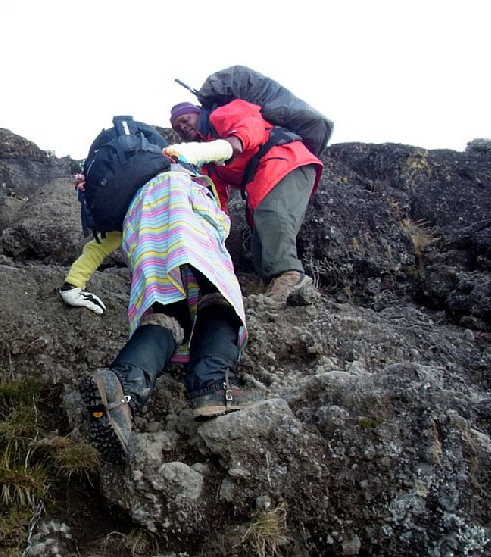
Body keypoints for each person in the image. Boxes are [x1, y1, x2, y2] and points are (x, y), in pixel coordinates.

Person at [60, 158, 263, 464]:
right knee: (218, 297)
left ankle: (122, 392)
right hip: (186, 218)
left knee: (170, 314)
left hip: (145, 236)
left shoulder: (127, 198)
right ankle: (213, 386)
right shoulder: (176, 163)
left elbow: (97, 247)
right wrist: (232, 148)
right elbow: (229, 147)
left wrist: (72, 285)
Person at [166, 99, 322, 302]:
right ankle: (281, 291)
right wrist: (215, 231)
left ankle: (291, 276)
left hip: (286, 160)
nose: (183, 127)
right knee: (259, 244)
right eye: (178, 127)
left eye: (185, 120)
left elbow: (251, 124)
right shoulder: (208, 161)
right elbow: (216, 195)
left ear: (198, 114)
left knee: (272, 216)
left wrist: (235, 142)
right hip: (262, 177)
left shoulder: (221, 114)